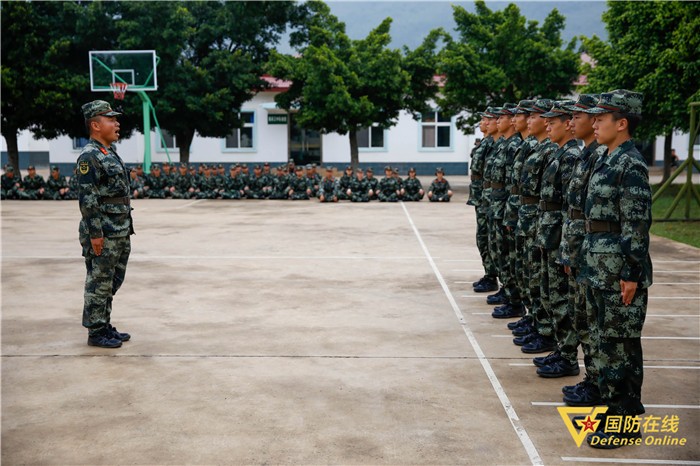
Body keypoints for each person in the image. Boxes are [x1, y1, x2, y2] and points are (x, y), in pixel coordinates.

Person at [580, 90, 652, 448]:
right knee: (604, 344)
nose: (594, 123)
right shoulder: (606, 158)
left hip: (618, 272)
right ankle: (611, 412)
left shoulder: (630, 164)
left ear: (621, 123)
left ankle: (624, 422)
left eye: (601, 118)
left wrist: (631, 273)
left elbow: (635, 224)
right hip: (599, 267)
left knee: (620, 348)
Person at [555, 94, 605, 406]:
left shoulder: (600, 157)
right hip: (580, 247)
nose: (573, 122)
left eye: (578, 117)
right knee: (582, 317)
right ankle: (592, 379)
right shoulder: (587, 155)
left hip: (595, 254)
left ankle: (597, 382)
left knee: (593, 322)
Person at [76, 100, 134, 348]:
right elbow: (87, 199)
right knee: (99, 281)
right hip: (104, 231)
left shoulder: (108, 152)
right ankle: (96, 331)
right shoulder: (89, 156)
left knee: (112, 280)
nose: (116, 123)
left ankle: (104, 323)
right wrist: (95, 234)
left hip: (119, 229)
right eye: (111, 119)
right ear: (96, 125)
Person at [533, 100, 581, 378]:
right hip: (549, 232)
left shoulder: (571, 156)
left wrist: (566, 244)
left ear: (567, 125)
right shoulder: (559, 153)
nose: (548, 126)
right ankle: (560, 348)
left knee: (561, 297)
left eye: (553, 122)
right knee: (551, 293)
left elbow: (567, 206)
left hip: (559, 235)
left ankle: (568, 356)